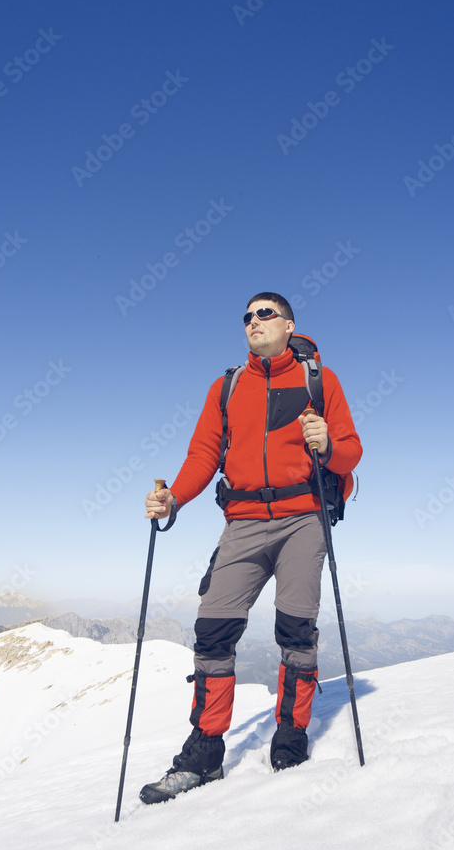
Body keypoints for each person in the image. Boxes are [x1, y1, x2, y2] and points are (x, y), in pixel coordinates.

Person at [139, 292, 362, 803]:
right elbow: (203, 455)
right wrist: (174, 496)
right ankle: (205, 753)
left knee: (296, 631)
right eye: (246, 317)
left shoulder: (320, 382)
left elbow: (350, 454)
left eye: (264, 314)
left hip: (303, 518)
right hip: (241, 522)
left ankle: (290, 738)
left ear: (288, 324)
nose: (252, 323)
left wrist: (326, 442)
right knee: (213, 631)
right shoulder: (227, 387)